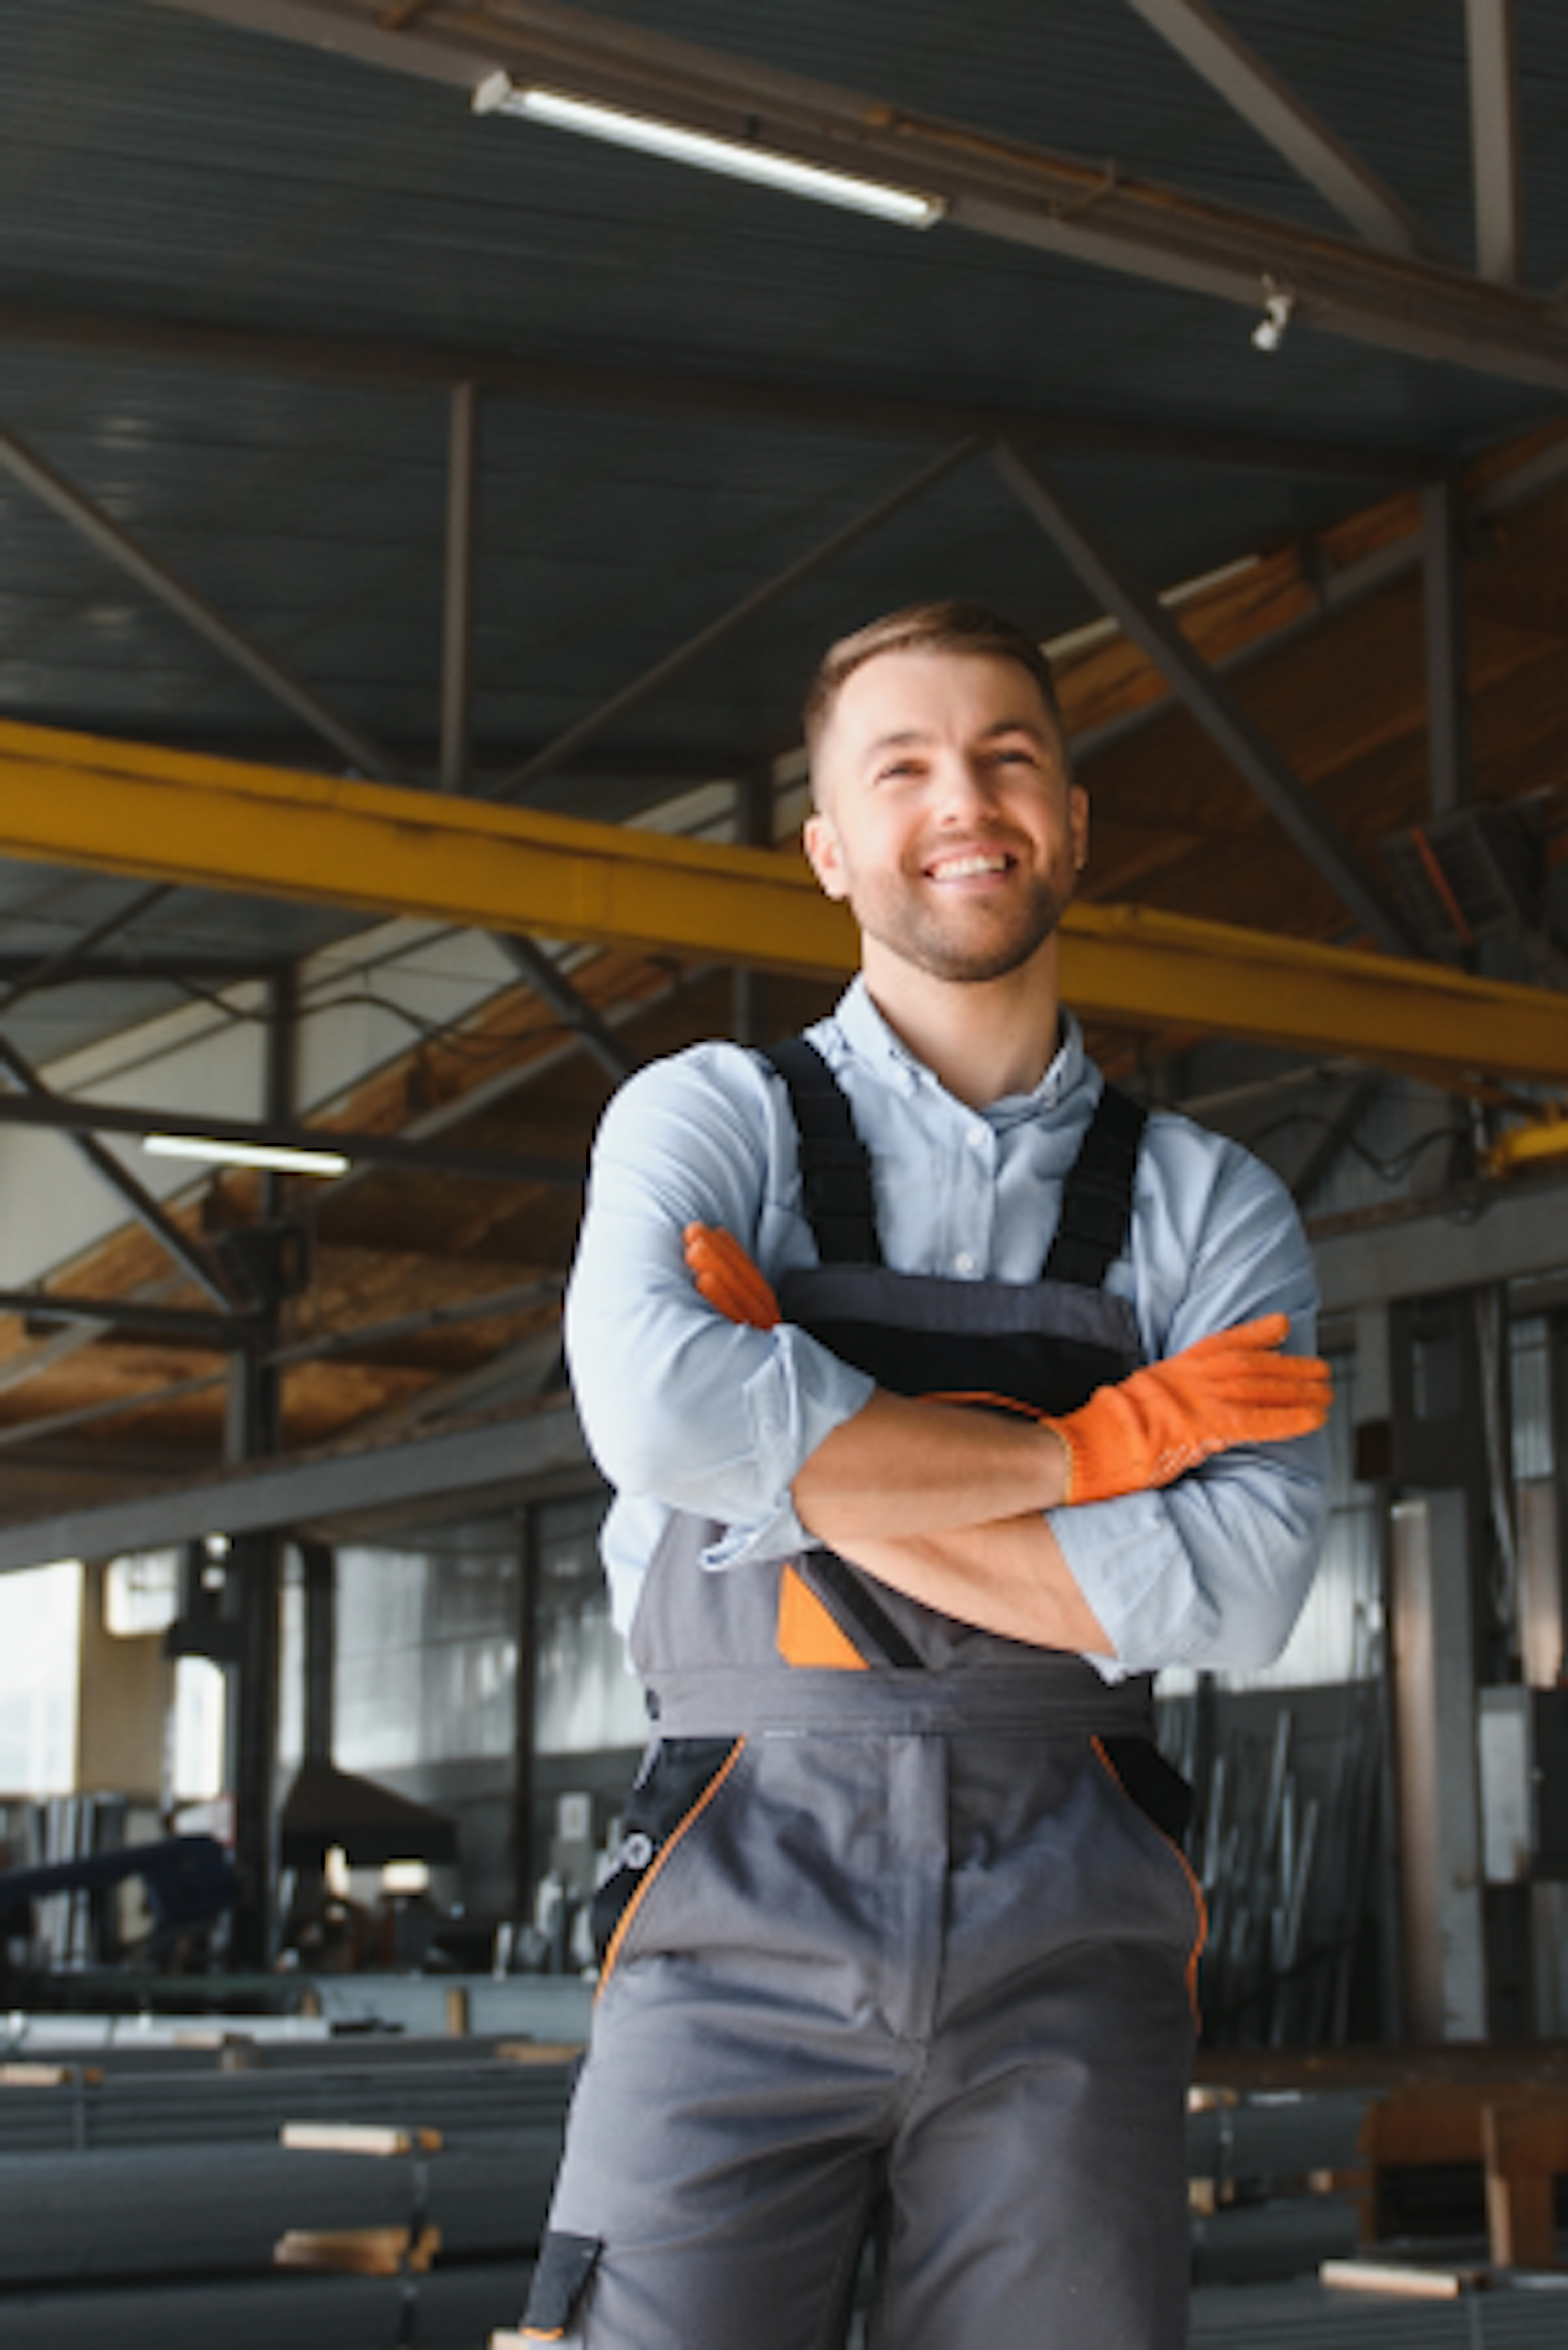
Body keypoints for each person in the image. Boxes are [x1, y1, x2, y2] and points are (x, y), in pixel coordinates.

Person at [521, 602, 1333, 2350]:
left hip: (1074, 1931)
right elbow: (656, 1413)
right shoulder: (708, 1120)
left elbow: (1245, 1587)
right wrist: (1084, 1456)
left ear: (1074, 820)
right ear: (828, 849)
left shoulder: (1212, 1205)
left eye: (1009, 755)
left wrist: (794, 1458)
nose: (963, 799)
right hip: (736, 1896)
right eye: (903, 767)